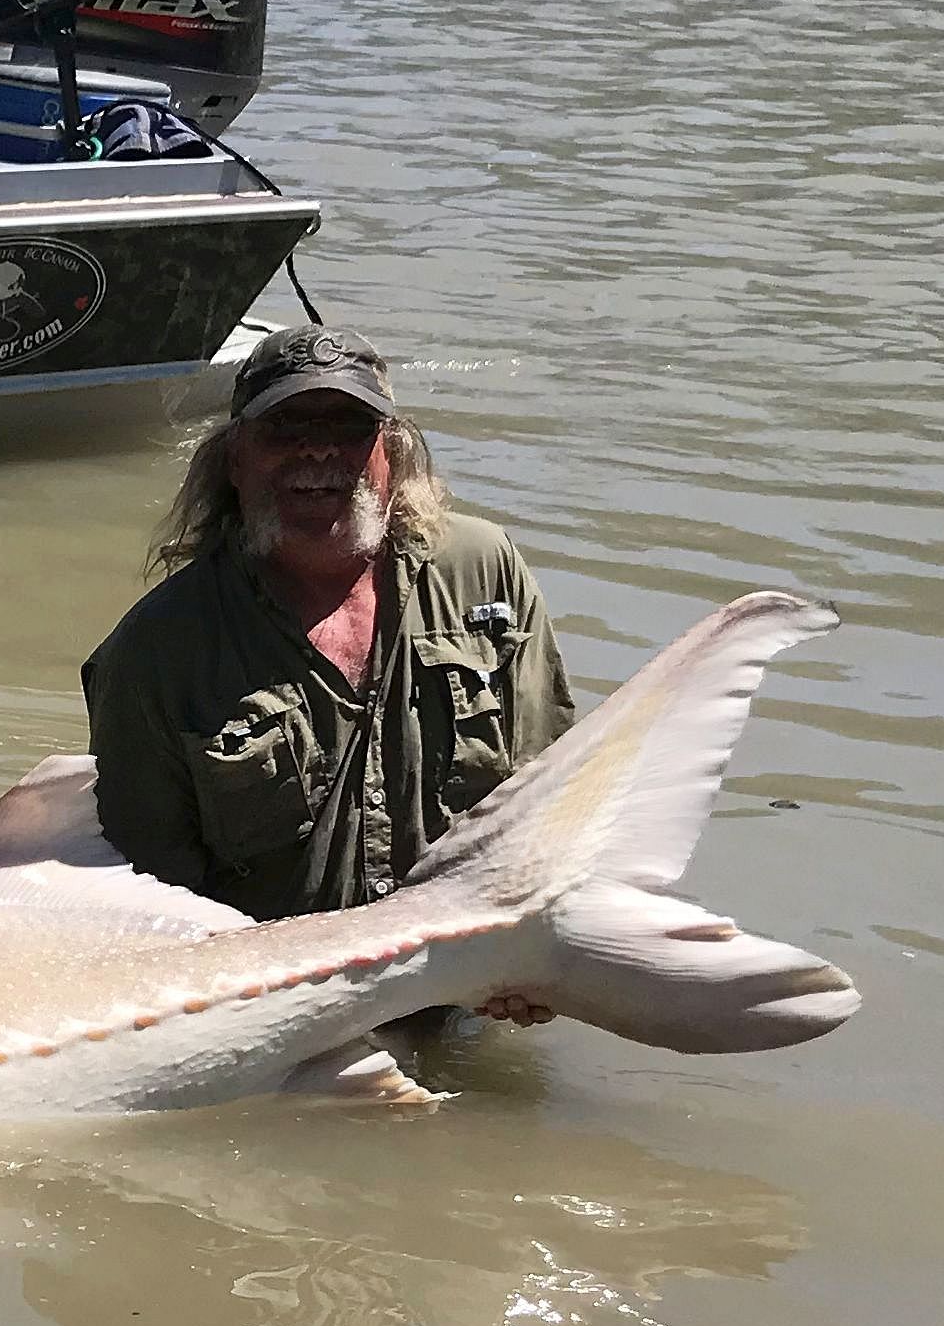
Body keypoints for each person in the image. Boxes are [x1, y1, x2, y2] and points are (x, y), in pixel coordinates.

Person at [81, 324, 574, 1012]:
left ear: (392, 453)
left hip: (465, 995)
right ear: (233, 461)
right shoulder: (156, 652)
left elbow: (551, 797)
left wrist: (536, 947)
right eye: (284, 428)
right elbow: (140, 909)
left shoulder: (484, 573)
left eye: (347, 427)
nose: (317, 450)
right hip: (270, 1023)